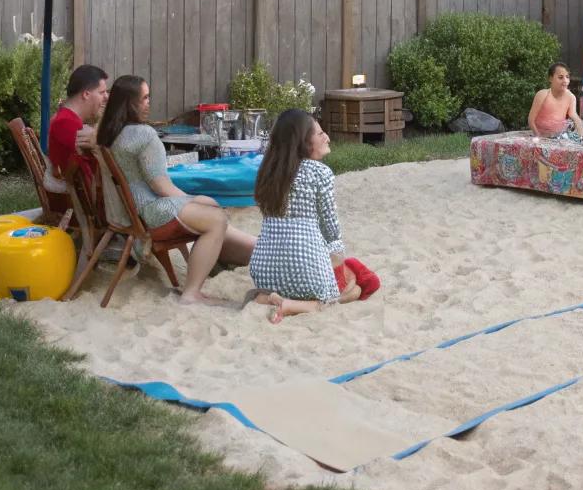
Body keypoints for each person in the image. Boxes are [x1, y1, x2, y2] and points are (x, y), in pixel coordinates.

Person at [97, 75, 257, 304]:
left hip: (133, 212)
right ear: (129, 103)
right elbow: (160, 185)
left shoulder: (111, 134)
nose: (148, 102)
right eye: (144, 98)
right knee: (215, 218)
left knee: (209, 208)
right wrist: (192, 199)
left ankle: (230, 256)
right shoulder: (144, 135)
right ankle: (192, 293)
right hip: (151, 211)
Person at [250, 108, 380, 323]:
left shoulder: (268, 171)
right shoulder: (320, 172)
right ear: (304, 141)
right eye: (320, 134)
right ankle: (295, 305)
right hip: (306, 268)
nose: (327, 137)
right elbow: (331, 228)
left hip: (264, 269)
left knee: (343, 273)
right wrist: (334, 251)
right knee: (355, 287)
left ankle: (269, 297)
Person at [45, 64, 109, 198]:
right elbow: (101, 163)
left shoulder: (65, 118)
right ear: (86, 94)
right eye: (102, 92)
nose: (106, 97)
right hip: (83, 203)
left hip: (84, 196)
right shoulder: (66, 122)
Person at [528, 62, 583, 138]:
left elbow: (575, 117)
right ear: (551, 78)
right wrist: (538, 136)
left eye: (567, 77)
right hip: (540, 134)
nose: (565, 80)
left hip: (558, 136)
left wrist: (582, 137)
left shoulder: (571, 97)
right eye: (560, 77)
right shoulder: (543, 95)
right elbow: (531, 120)